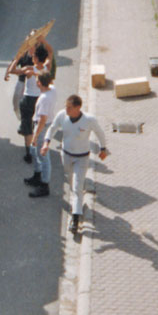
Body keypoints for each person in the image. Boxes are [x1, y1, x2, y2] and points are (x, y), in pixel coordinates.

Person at [42, 94, 108, 233]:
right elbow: (52, 128)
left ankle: (75, 218)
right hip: (66, 155)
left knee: (77, 187)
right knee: (71, 182)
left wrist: (103, 149)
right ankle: (78, 201)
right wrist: (46, 142)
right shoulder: (62, 115)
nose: (66, 109)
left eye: (69, 107)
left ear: (78, 108)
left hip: (82, 158)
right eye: (66, 106)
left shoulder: (89, 120)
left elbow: (100, 133)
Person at [25, 72, 57, 198]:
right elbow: (51, 82)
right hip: (46, 125)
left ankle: (44, 185)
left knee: (43, 156)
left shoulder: (44, 98)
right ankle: (37, 176)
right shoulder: (52, 90)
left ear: (39, 83)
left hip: (42, 127)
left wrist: (35, 137)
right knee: (36, 153)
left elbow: (42, 119)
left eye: (37, 80)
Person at [18, 45, 50, 163]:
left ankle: (29, 153)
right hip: (41, 99)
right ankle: (39, 149)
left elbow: (12, 71)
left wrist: (16, 59)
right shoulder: (47, 69)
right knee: (39, 125)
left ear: (36, 58)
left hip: (28, 99)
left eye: (34, 55)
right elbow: (51, 52)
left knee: (27, 127)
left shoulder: (29, 70)